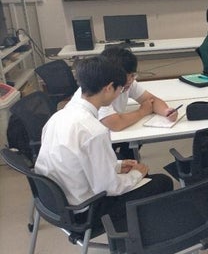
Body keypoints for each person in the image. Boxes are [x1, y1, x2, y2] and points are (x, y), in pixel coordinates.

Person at [34, 56, 173, 232]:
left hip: (54, 203)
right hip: (84, 213)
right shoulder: (94, 131)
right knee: (161, 182)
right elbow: (110, 187)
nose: (121, 93)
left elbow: (77, 161)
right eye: (120, 89)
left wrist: (117, 165)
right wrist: (137, 173)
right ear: (108, 88)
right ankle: (140, 240)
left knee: (137, 176)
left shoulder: (59, 116)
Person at [71, 46, 178, 160]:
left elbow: (151, 100)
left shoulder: (127, 83)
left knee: (133, 141)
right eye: (129, 76)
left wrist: (166, 111)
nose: (131, 80)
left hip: (105, 137)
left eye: (133, 75)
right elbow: (116, 124)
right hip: (94, 145)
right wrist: (142, 111)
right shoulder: (96, 92)